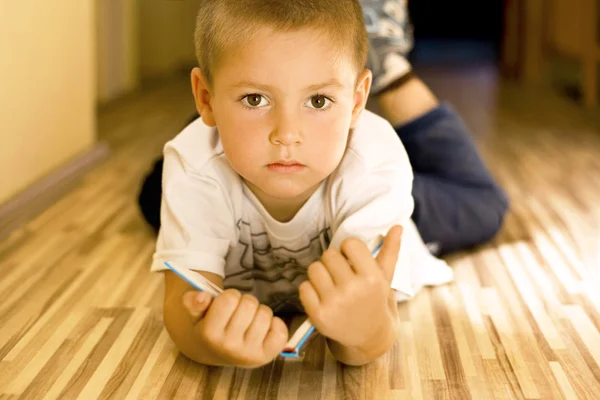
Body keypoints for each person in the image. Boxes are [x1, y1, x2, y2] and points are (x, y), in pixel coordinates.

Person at [146, 0, 508, 369]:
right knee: (156, 195)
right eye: (254, 99)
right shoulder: (193, 162)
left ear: (356, 102)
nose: (287, 135)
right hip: (292, 160)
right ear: (204, 97)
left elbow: (369, 339)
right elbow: (183, 310)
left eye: (318, 100)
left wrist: (361, 333)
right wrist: (210, 343)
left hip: (357, 187)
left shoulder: (375, 166)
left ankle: (389, 66)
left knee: (482, 206)